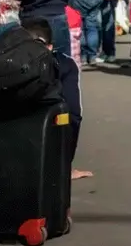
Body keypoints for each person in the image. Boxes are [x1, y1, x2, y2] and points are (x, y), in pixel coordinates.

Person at [7, 0, 87, 178]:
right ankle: (63, 163)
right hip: (56, 19)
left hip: (27, 20)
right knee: (62, 89)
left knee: (29, 84)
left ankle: (28, 157)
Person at [22, 16, 92, 180]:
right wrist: (65, 165)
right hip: (48, 131)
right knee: (68, 116)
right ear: (50, 47)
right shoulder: (64, 64)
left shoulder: (2, 65)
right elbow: (74, 114)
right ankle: (61, 169)